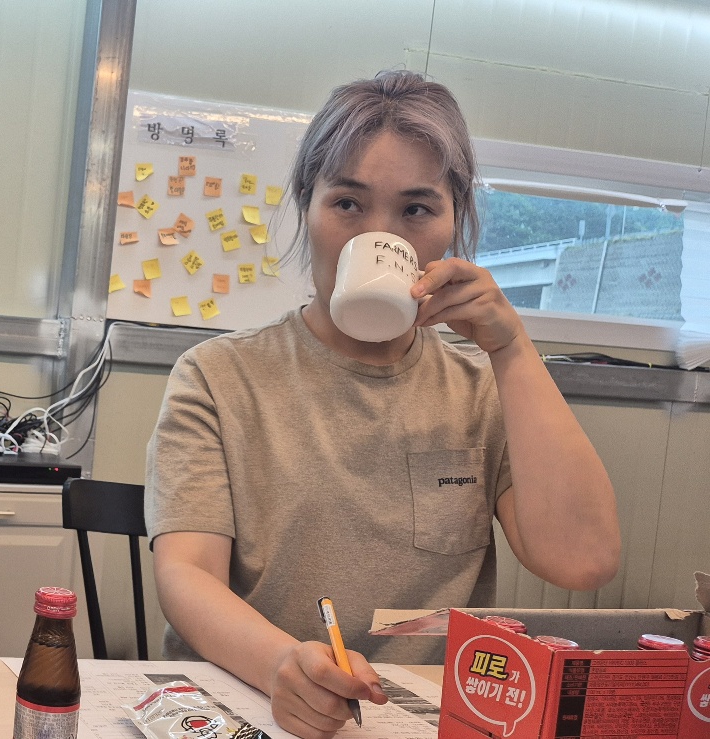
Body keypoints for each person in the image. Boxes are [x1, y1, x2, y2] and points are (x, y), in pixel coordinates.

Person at [145, 71, 621, 739]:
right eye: (347, 203)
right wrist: (282, 664)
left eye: (416, 210)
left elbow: (584, 561)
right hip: (252, 705)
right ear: (307, 206)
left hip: (423, 719)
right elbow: (187, 574)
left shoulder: (483, 387)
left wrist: (513, 349)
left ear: (454, 223)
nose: (376, 234)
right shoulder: (219, 377)